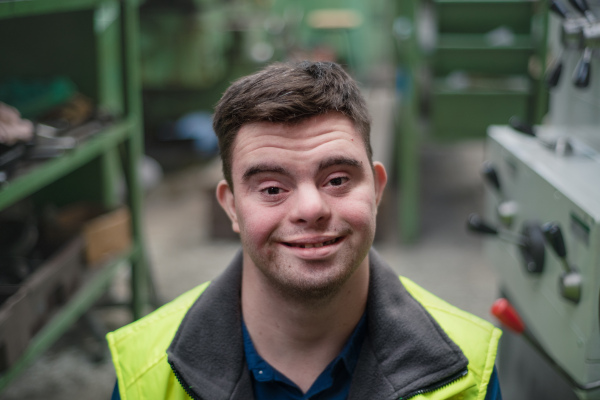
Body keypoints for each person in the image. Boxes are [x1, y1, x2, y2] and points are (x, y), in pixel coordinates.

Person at [107, 61, 503, 400]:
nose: (311, 209)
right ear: (231, 206)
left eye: (336, 180)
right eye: (273, 189)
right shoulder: (147, 372)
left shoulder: (466, 371)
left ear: (377, 189)